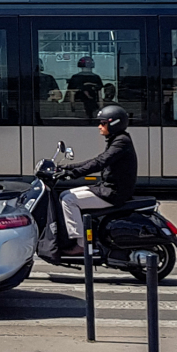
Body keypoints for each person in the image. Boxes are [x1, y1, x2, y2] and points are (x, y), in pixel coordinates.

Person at [51, 105, 137, 256]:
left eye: (103, 123)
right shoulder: (118, 139)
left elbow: (100, 163)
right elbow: (96, 160)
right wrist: (65, 168)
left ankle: (82, 245)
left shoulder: (121, 142)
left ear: (114, 123)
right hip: (107, 188)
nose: (99, 127)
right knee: (65, 194)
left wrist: (73, 174)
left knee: (69, 200)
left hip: (113, 193)